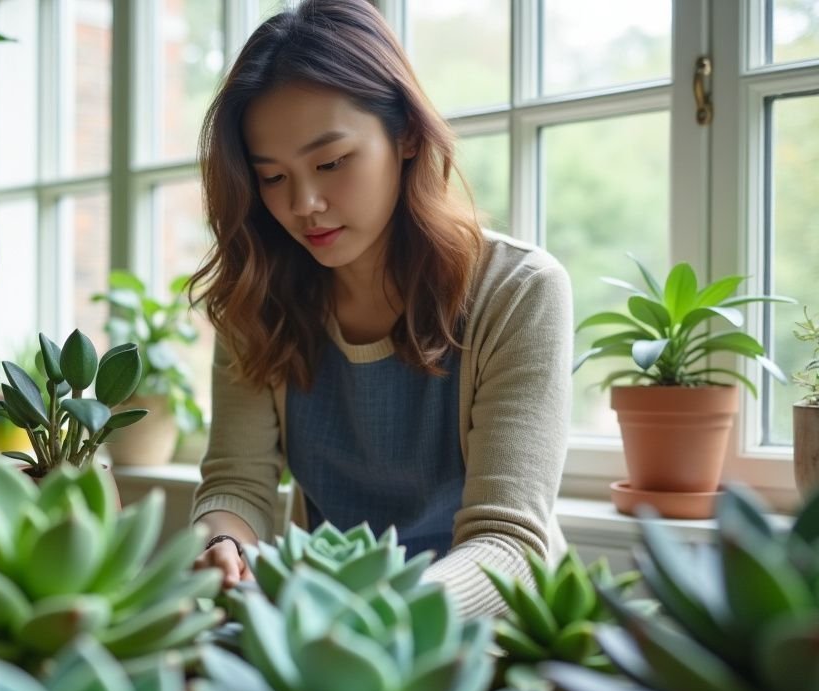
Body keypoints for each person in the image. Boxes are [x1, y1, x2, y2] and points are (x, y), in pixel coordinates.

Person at [188, 0, 572, 617]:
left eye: (331, 162)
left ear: (408, 135)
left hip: (489, 636)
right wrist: (225, 542)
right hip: (327, 632)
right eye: (272, 177)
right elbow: (237, 485)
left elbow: (511, 544)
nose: (304, 203)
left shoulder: (519, 289)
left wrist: (378, 612)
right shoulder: (255, 299)